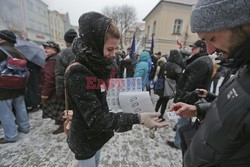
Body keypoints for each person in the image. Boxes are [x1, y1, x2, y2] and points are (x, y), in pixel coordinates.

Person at [65, 12, 167, 167]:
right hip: (85, 140)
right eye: (109, 49)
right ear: (95, 45)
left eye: (116, 49)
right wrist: (137, 118)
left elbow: (98, 91)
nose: (113, 55)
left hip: (95, 137)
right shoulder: (79, 72)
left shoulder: (95, 65)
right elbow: (97, 119)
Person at [171, 0, 250, 166]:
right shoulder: (243, 67)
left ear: (244, 23)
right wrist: (199, 110)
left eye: (212, 38)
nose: (209, 50)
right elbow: (234, 110)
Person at [167, 39, 213, 149]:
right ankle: (178, 137)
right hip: (191, 96)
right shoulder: (202, 59)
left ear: (201, 49)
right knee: (183, 120)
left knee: (184, 120)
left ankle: (178, 142)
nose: (192, 49)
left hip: (189, 98)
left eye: (194, 48)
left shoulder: (202, 61)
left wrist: (182, 98)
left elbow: (191, 83)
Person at [0, 30, 30, 144]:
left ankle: (11, 135)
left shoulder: (1, 51)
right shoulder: (19, 51)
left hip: (4, 87)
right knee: (20, 106)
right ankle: (24, 127)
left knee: (5, 112)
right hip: (19, 85)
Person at [40, 41, 63, 134]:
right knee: (60, 108)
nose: (45, 50)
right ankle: (61, 122)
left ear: (55, 49)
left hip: (54, 91)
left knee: (57, 109)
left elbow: (49, 78)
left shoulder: (52, 61)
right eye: (45, 48)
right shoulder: (57, 58)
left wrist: (45, 93)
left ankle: (62, 124)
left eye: (48, 48)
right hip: (58, 88)